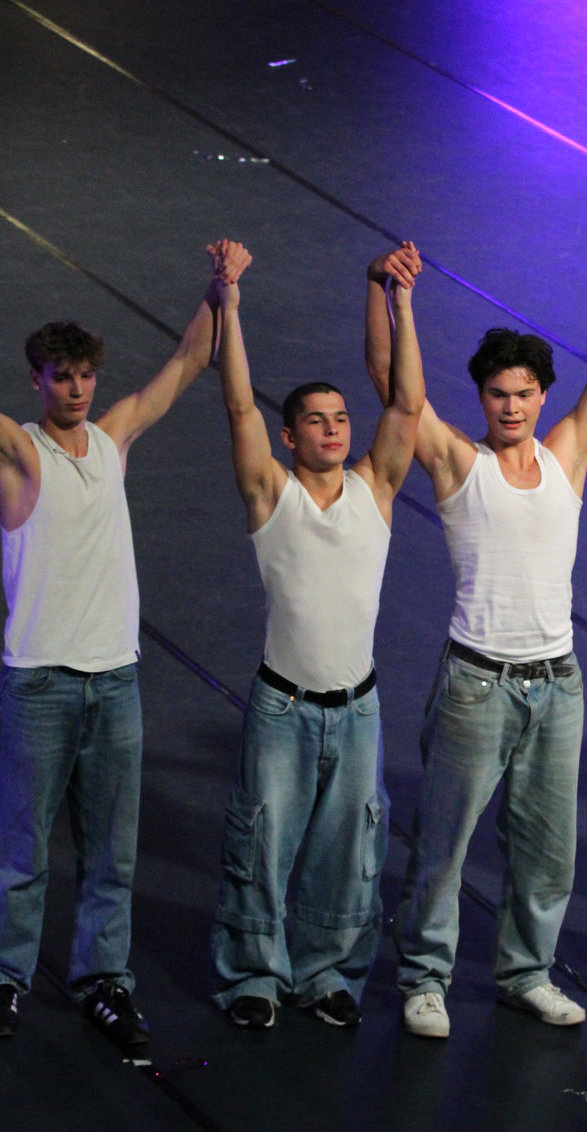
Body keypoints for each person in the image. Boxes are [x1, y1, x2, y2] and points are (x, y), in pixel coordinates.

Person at [0, 249, 235, 1051]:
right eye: (62, 378)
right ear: (38, 381)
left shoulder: (113, 437)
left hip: (116, 681)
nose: (78, 390)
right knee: (16, 847)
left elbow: (189, 360)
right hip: (40, 683)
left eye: (87, 376)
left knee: (111, 854)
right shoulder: (19, 452)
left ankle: (104, 980)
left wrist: (219, 288)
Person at [376, 208, 587, 1040]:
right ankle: (425, 979)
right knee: (445, 844)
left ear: (543, 396)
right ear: (482, 398)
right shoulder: (462, 464)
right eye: (499, 394)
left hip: (559, 686)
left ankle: (527, 972)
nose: (513, 406)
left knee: (549, 852)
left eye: (525, 393)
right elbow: (395, 390)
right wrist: (393, 298)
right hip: (476, 683)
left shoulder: (567, 458)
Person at [209, 241, 420, 1030]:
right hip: (284, 707)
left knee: (349, 852)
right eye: (315, 422)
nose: (333, 429)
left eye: (340, 419)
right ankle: (253, 977)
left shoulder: (376, 487)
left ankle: (329, 972)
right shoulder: (272, 494)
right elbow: (238, 408)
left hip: (358, 708)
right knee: (261, 846)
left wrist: (401, 300)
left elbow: (406, 406)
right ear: (290, 438)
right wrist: (230, 304)